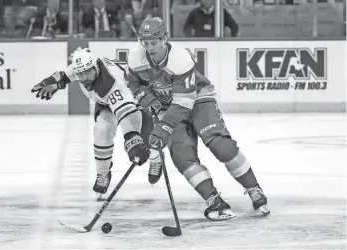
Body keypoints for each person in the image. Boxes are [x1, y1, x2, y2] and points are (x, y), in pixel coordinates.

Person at [126, 16, 270, 221]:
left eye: (154, 41)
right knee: (181, 155)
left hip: (198, 100)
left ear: (165, 38)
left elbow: (185, 101)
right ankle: (213, 198)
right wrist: (141, 93)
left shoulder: (180, 58)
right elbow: (132, 81)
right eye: (145, 42)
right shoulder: (135, 58)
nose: (149, 47)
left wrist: (165, 125)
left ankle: (253, 188)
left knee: (220, 144)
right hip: (168, 107)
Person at [30, 48, 163, 197]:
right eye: (80, 74)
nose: (85, 77)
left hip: (134, 101)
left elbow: (126, 116)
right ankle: (103, 173)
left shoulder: (111, 85)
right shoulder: (84, 66)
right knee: (102, 130)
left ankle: (156, 159)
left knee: (146, 141)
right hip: (107, 103)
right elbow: (67, 74)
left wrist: (132, 141)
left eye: (88, 72)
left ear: (96, 69)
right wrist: (55, 82)